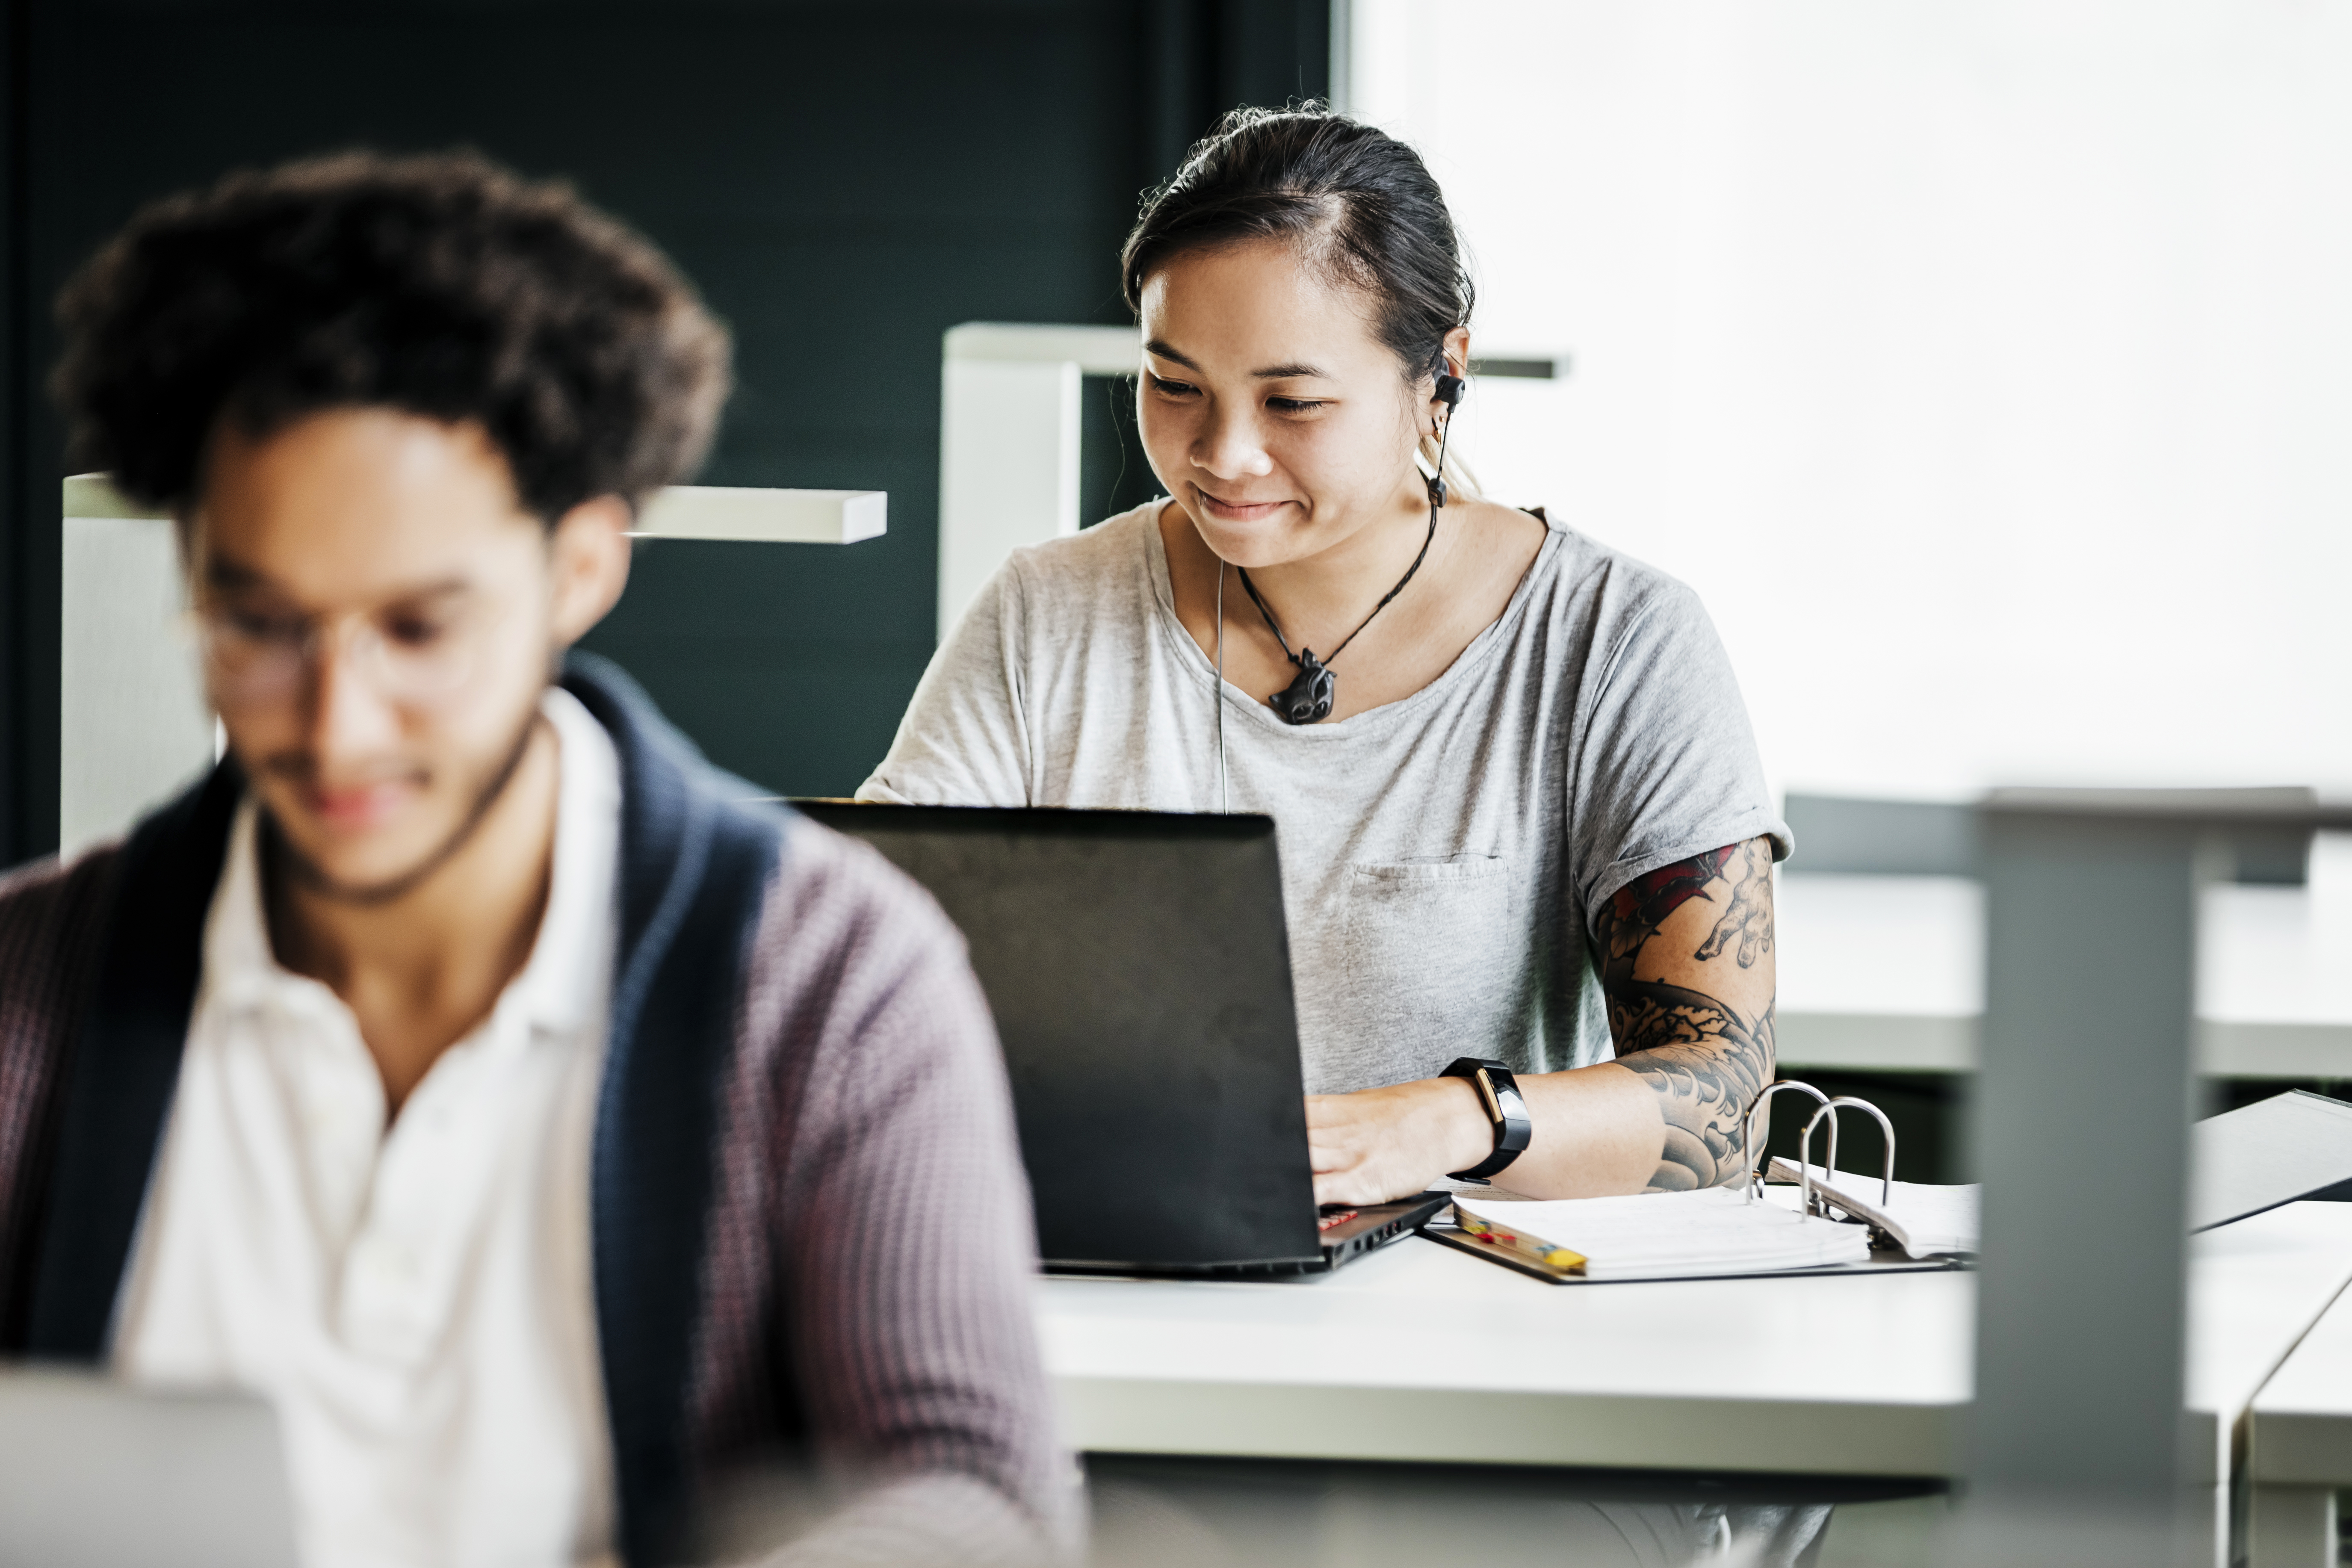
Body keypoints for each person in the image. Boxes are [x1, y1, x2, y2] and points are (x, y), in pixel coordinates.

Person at [0, 152, 1074, 1567]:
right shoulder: (31, 983)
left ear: (582, 566)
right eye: (261, 626)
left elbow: (975, 1495)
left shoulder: (834, 978)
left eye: (420, 628)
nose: (335, 724)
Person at [863, 107, 1791, 1208]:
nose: (1221, 454)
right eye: (1173, 385)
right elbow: (858, 955)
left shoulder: (1614, 641)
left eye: (1290, 401)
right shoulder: (1046, 611)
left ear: (1438, 374)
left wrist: (1441, 1123)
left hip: (1469, 1314)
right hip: (1108, 1275)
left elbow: (1722, 1099)